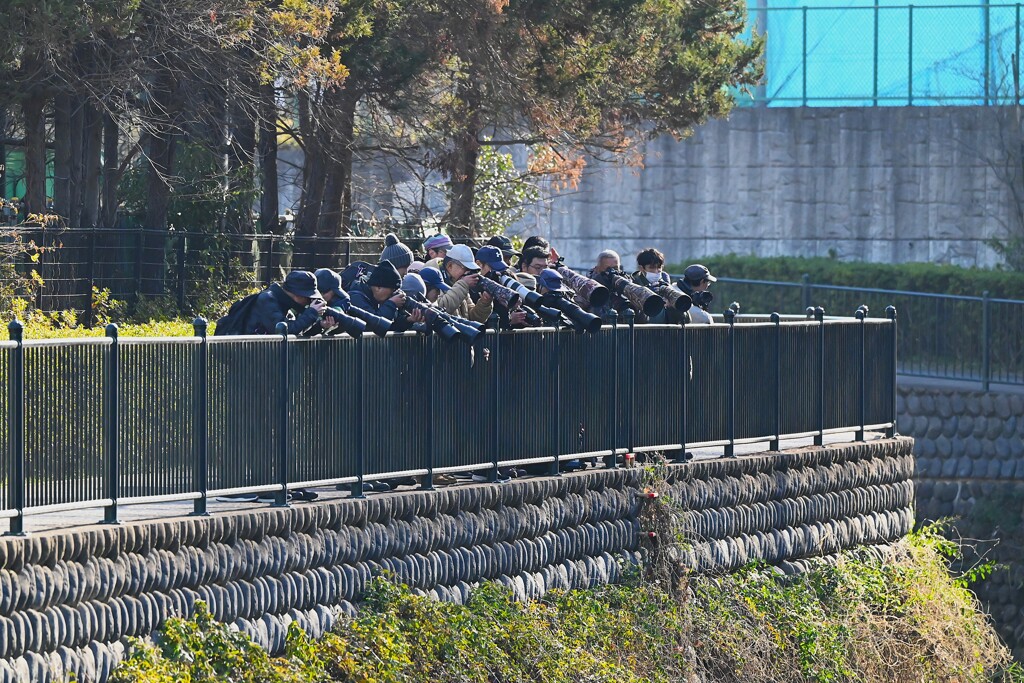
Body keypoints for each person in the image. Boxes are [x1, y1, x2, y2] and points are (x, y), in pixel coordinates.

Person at [224, 270, 326, 336]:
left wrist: (321, 325)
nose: (309, 301)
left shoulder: (284, 305)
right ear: (299, 294)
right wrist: (311, 313)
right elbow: (284, 331)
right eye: (309, 298)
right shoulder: (268, 300)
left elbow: (297, 331)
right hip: (252, 361)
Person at [435, 244, 493, 323]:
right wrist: (463, 284)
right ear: (450, 266)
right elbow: (440, 308)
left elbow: (472, 318)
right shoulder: (432, 280)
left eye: (470, 270)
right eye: (465, 268)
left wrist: (484, 303)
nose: (468, 273)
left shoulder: (459, 284)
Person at [630, 248, 672, 324]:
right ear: (641, 268)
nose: (656, 271)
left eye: (659, 267)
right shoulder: (633, 285)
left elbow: (684, 319)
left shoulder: (665, 283)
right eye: (651, 268)